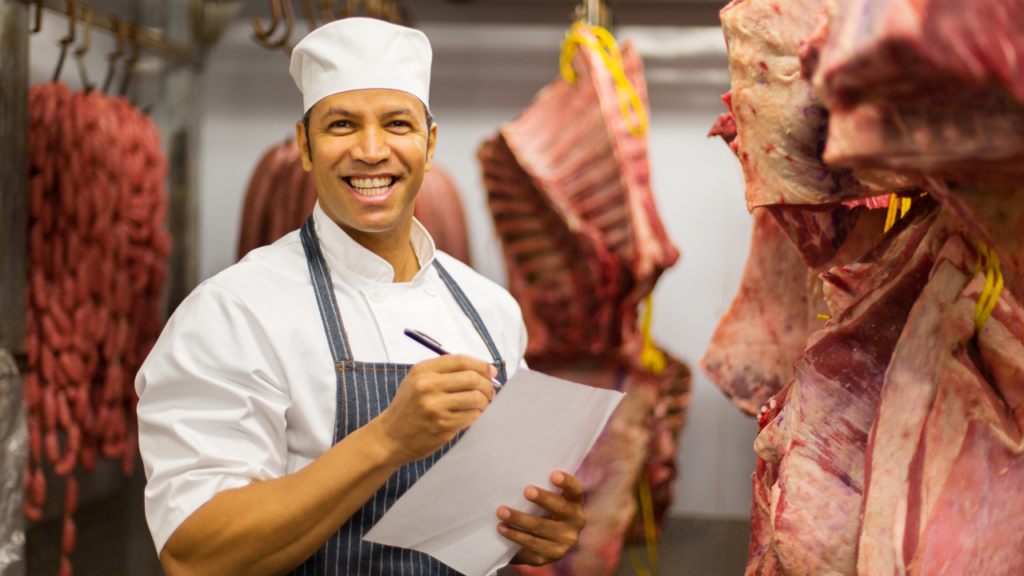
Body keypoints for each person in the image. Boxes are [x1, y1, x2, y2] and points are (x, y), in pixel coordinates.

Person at [136, 17, 586, 576]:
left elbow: (498, 513)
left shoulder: (489, 310)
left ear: (430, 142)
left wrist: (539, 531)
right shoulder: (234, 313)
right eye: (341, 125)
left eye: (397, 123)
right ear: (304, 145)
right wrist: (388, 439)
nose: (372, 150)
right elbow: (194, 556)